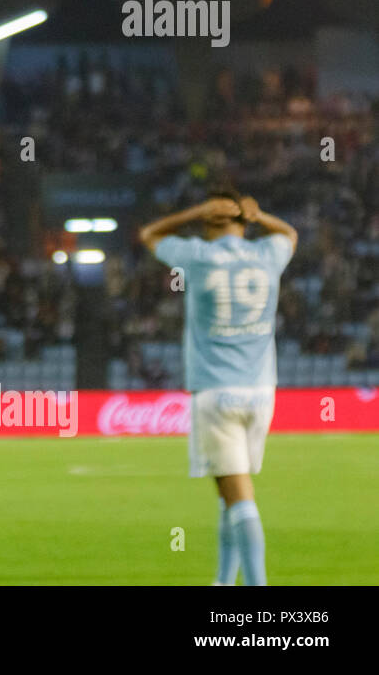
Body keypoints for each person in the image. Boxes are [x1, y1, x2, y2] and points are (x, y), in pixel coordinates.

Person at [139, 188, 298, 586]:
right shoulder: (268, 255)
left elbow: (150, 235)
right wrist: (260, 216)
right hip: (261, 393)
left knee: (240, 499)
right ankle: (223, 582)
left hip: (215, 393)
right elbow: (291, 235)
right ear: (245, 222)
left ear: (211, 221)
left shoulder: (198, 256)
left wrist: (194, 212)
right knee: (230, 495)